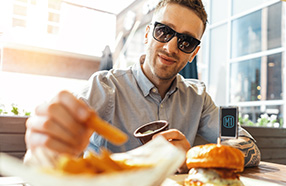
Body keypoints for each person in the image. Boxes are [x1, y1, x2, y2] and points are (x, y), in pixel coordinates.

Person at [24, 0, 261, 173]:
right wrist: (46, 144)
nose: (171, 47)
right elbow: (41, 161)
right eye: (164, 31)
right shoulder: (104, 87)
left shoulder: (200, 98)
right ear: (147, 34)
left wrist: (191, 157)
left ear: (194, 54)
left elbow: (249, 145)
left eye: (186, 41)